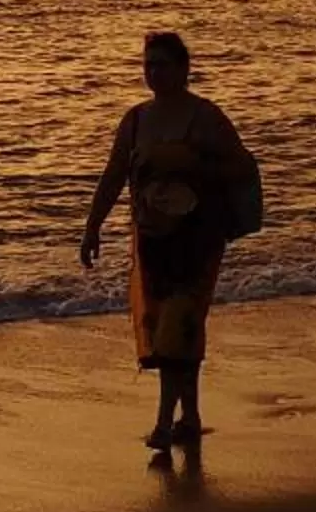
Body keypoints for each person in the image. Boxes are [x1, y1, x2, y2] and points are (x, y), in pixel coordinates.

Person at [80, 30, 254, 454]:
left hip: (197, 239)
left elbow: (242, 167)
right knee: (171, 332)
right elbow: (113, 175)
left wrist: (198, 176)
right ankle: (190, 417)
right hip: (152, 239)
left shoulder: (205, 117)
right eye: (148, 64)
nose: (153, 72)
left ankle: (162, 424)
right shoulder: (136, 120)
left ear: (183, 69)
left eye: (161, 64)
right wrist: (92, 227)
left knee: (179, 327)